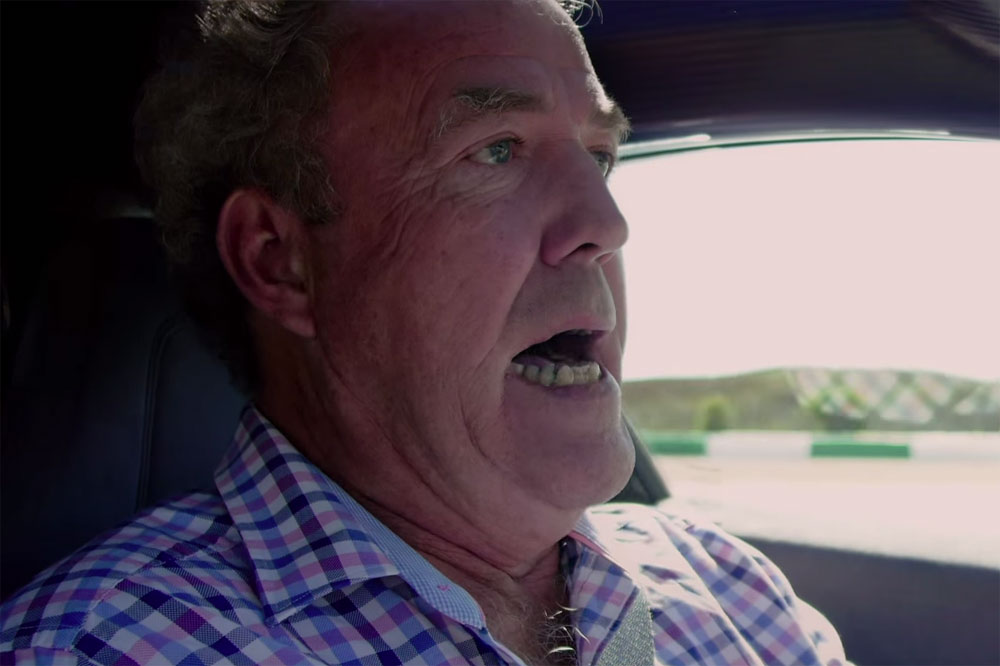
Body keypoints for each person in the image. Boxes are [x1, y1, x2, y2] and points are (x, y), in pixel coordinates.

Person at [0, 1, 849, 664]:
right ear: (279, 260)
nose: (605, 223)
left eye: (598, 156)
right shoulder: (98, 648)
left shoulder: (728, 589)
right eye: (496, 150)